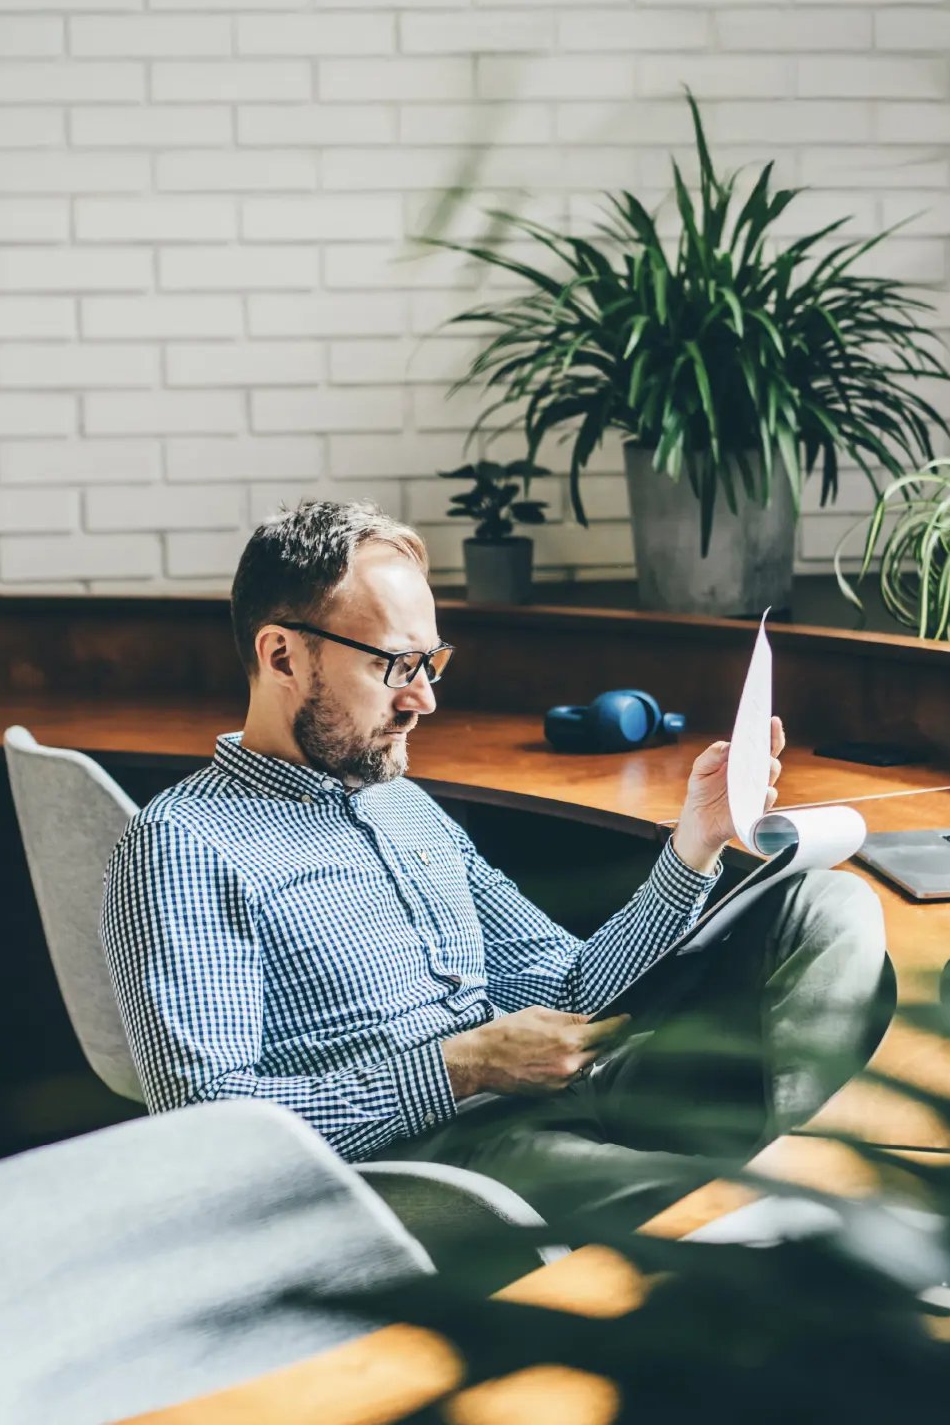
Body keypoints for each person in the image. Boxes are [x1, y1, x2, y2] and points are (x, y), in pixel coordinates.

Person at [102, 500, 893, 1230]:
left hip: (561, 1082)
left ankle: (799, 1178)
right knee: (697, 1202)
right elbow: (209, 1133)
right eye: (394, 666)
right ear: (281, 656)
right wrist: (462, 1067)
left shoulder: (403, 804)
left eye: (430, 662)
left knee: (827, 905)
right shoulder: (184, 844)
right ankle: (791, 1224)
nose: (424, 700)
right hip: (426, 1159)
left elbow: (567, 988)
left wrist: (696, 843)